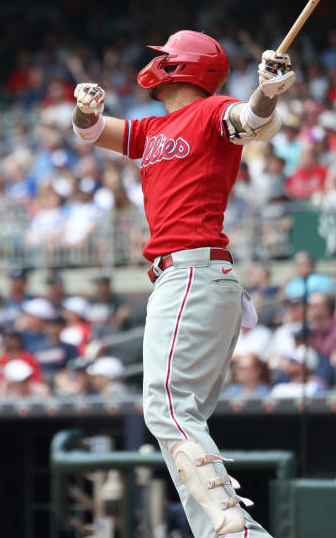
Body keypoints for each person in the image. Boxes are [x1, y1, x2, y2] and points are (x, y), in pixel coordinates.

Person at [74, 31, 294, 536]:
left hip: (193, 272)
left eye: (164, 57)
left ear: (183, 66)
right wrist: (85, 109)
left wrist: (267, 90)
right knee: (179, 422)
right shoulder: (152, 128)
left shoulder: (214, 109)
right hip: (192, 278)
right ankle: (225, 532)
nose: (156, 63)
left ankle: (234, 530)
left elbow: (252, 121)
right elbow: (91, 132)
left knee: (167, 410)